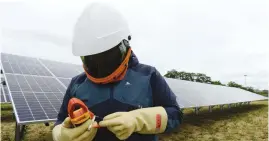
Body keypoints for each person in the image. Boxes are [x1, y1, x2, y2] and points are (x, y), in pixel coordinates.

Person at [52, 2, 183, 141]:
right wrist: (62, 135)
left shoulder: (149, 76)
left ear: (124, 46)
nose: (100, 65)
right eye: (92, 59)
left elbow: (175, 115)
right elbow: (61, 121)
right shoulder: (77, 84)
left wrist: (138, 120)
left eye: (107, 56)